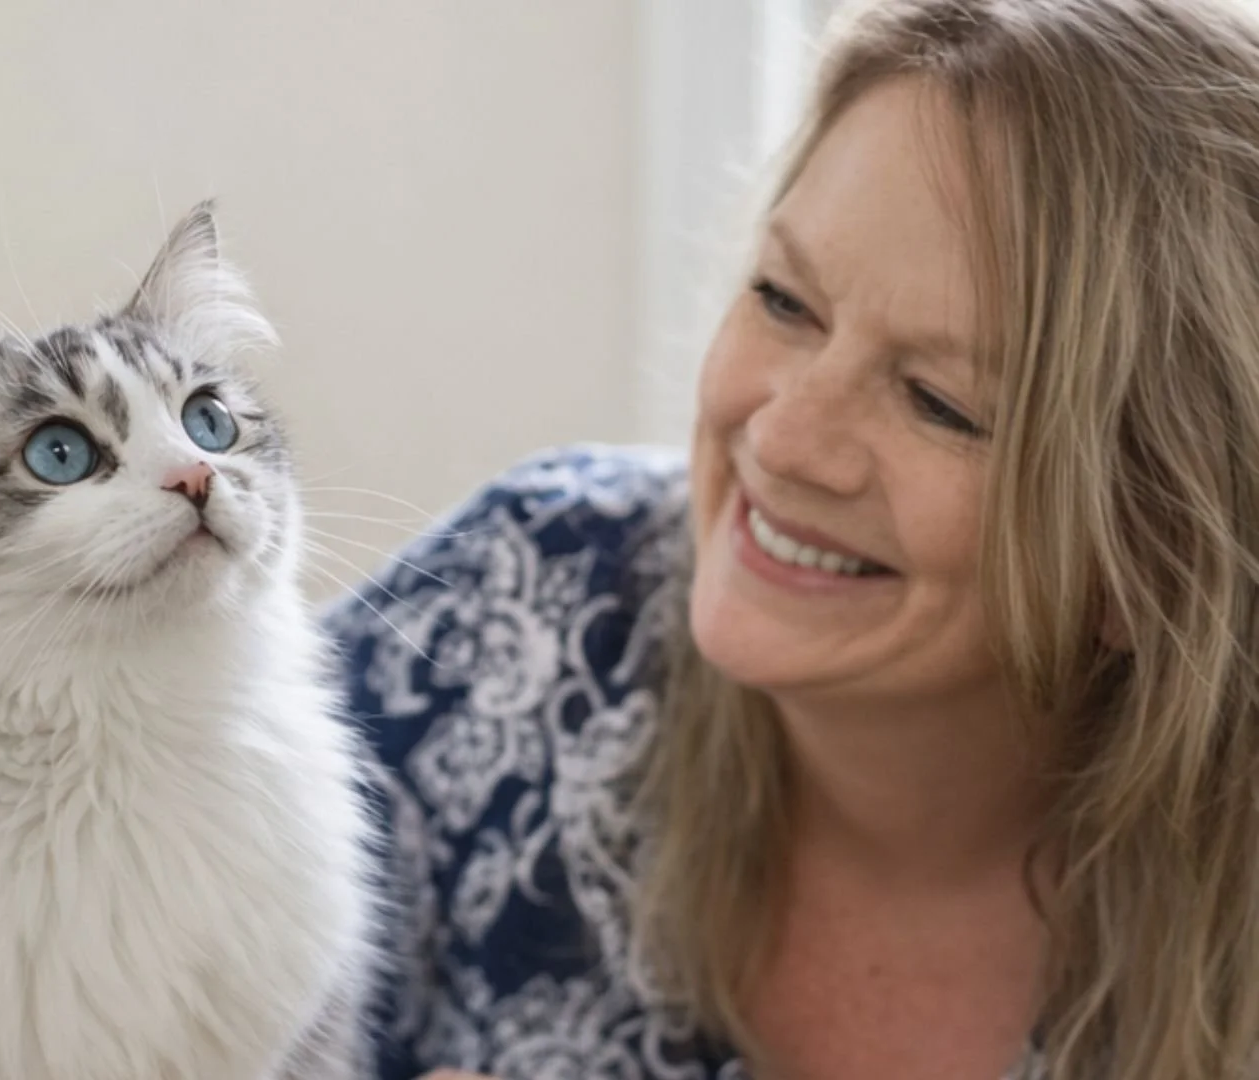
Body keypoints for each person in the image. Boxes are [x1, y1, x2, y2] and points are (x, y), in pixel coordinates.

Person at [324, 1, 1259, 1078]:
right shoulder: (517, 603)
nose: (782, 435)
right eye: (783, 300)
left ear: (1155, 556)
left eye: (939, 403)